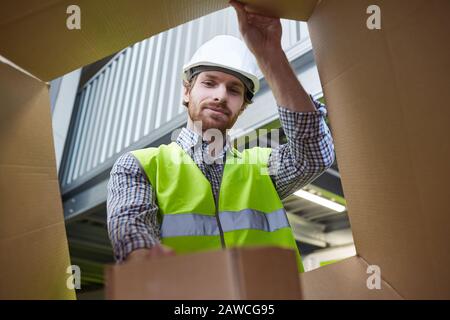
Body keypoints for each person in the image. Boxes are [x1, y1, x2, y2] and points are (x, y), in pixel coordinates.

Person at [107, 0, 334, 272]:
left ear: (243, 106)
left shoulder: (262, 167)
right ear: (186, 91)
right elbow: (132, 231)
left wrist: (270, 55)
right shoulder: (140, 165)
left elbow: (315, 155)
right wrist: (143, 258)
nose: (220, 95)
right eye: (209, 83)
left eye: (234, 90)